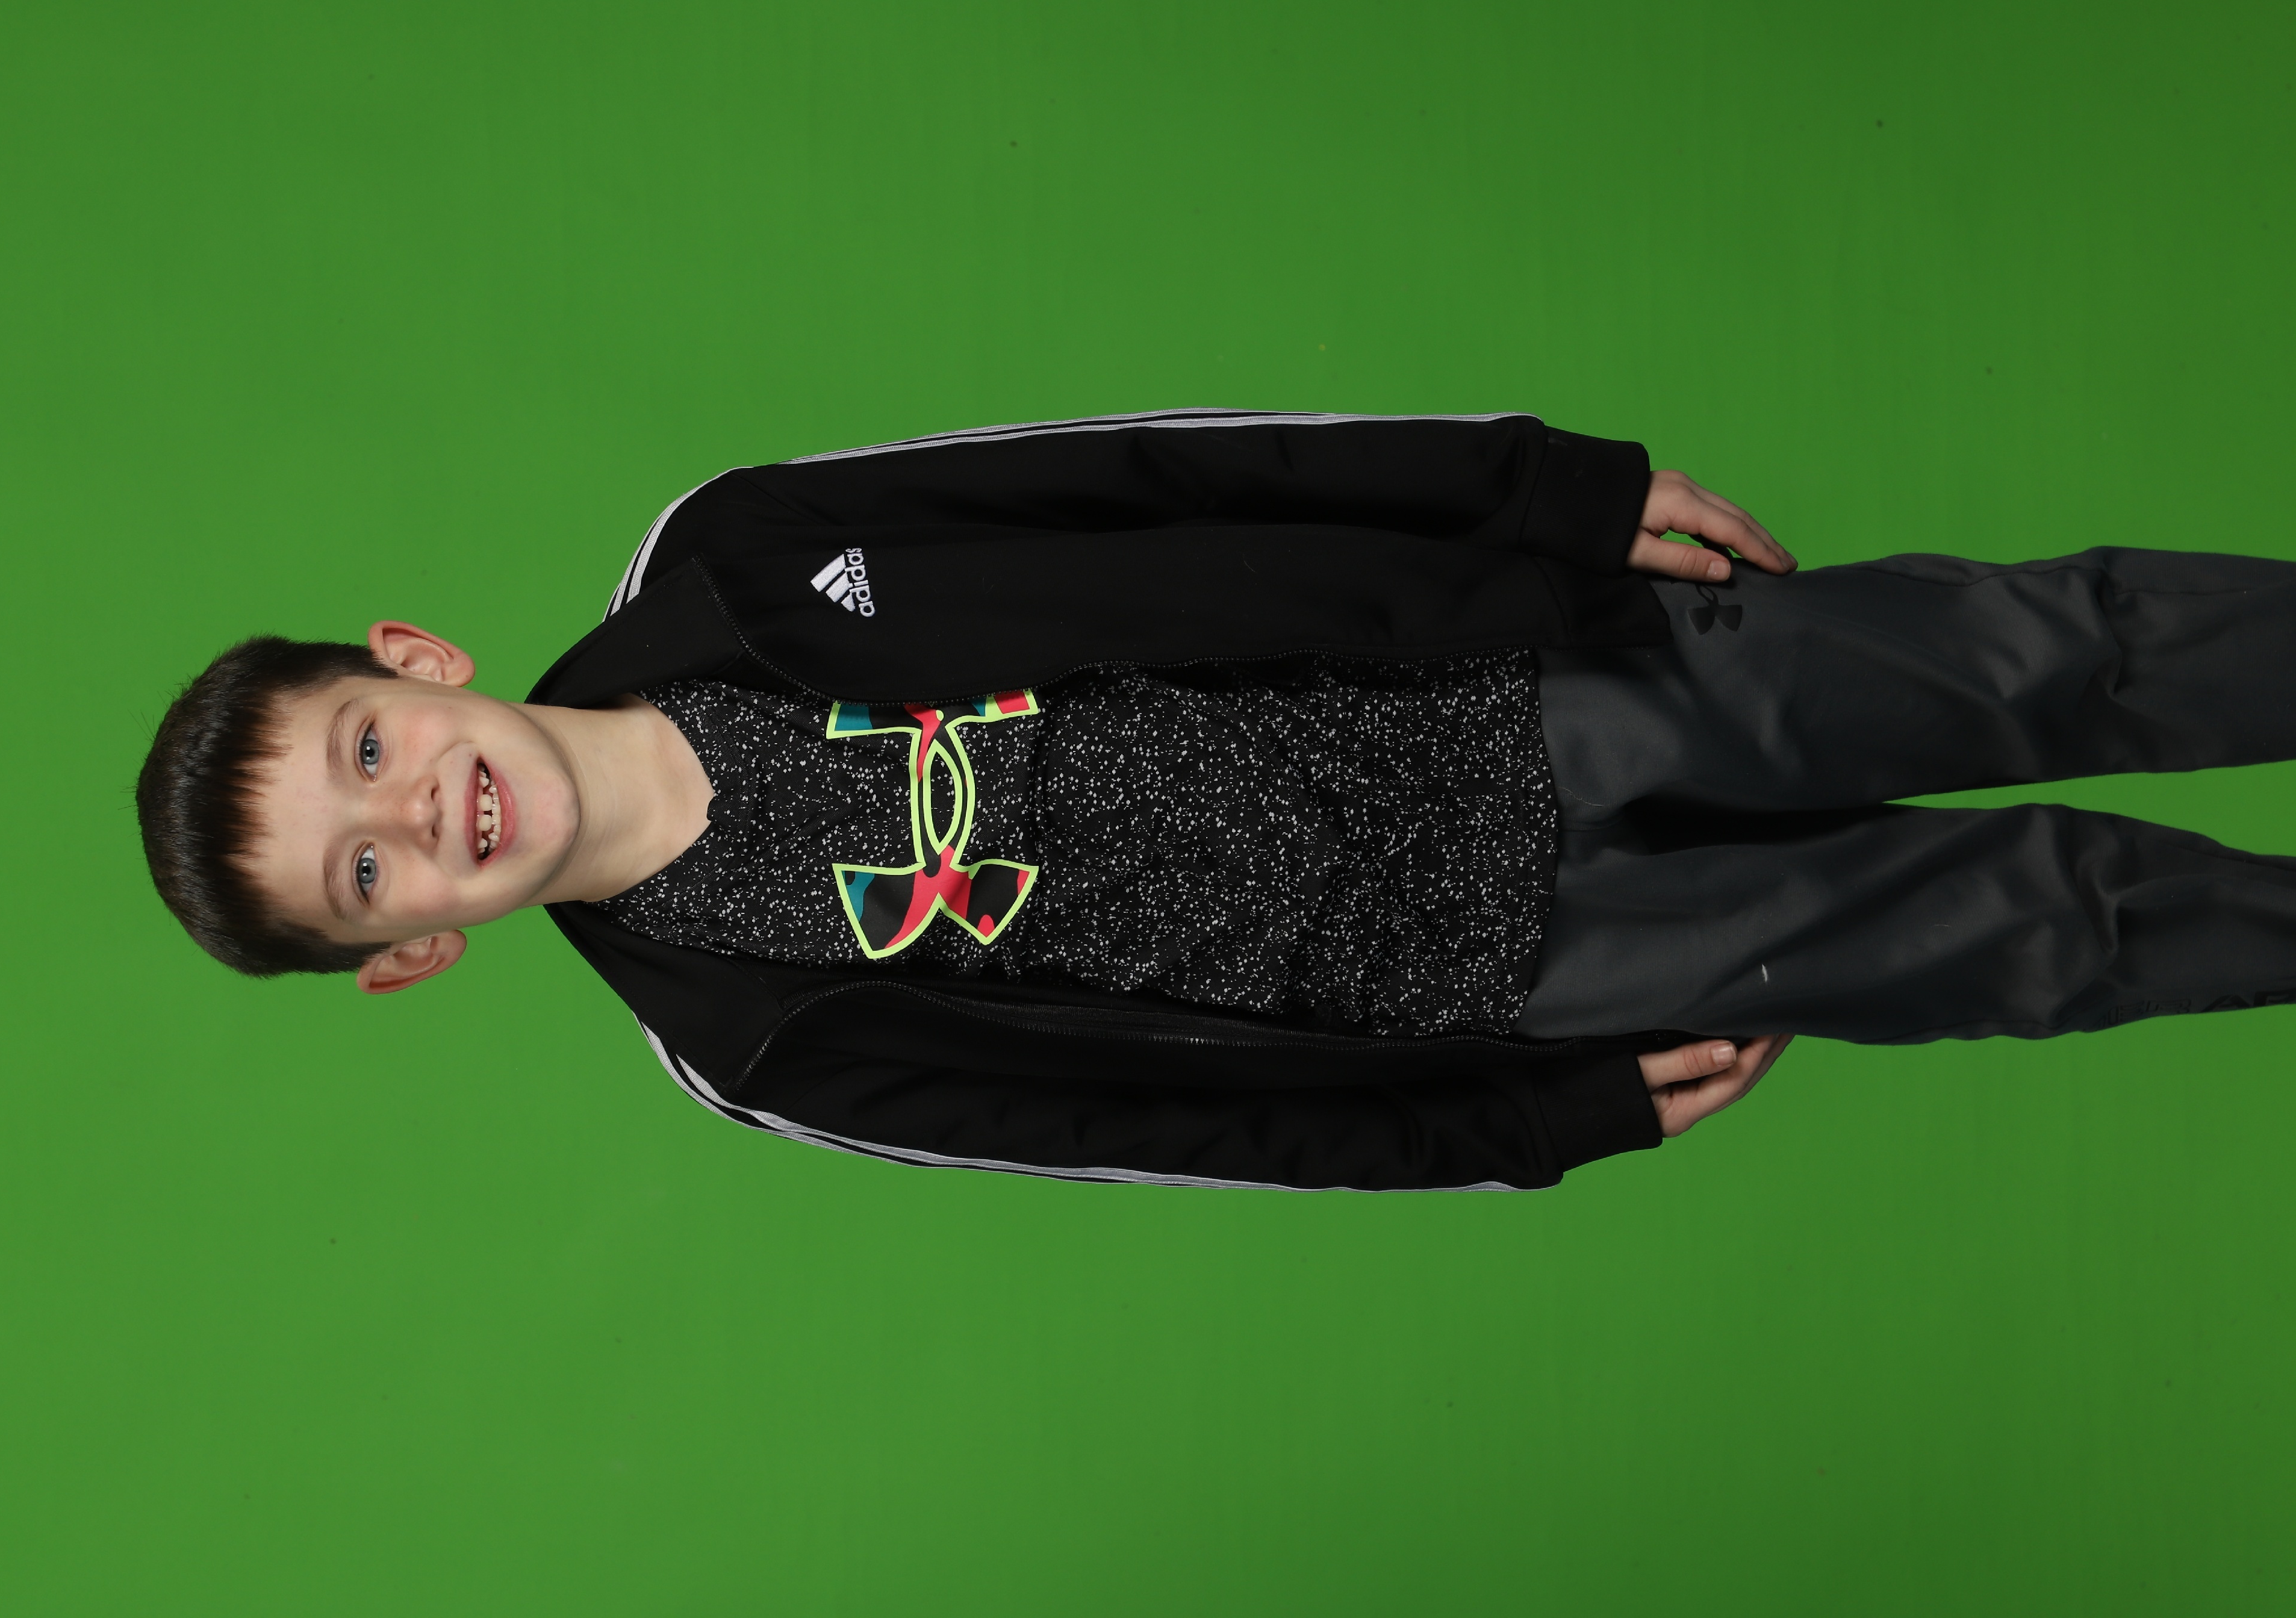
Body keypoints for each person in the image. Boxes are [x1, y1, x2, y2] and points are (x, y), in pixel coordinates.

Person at [136, 409, 2296, 1191]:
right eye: (366, 872)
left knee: (2047, 651)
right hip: (1505, 967)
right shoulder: (759, 1044)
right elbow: (1174, 1132)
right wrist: (1526, 1120)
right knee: (2045, 933)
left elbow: (1141, 475)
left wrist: (1535, 494)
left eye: (366, 751)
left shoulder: (739, 558)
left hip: (1517, 685)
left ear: (413, 660)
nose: (420, 813)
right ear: (408, 954)